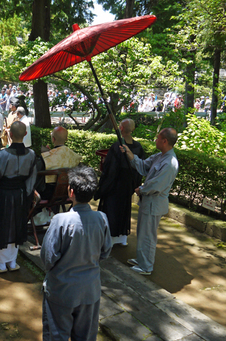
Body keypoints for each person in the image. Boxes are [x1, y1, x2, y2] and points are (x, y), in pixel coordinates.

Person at [41, 166, 112, 341]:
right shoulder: (101, 218)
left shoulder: (60, 221)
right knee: (86, 336)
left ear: (70, 192)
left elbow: (48, 258)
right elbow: (106, 251)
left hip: (62, 290)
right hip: (90, 289)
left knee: (57, 334)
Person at [120, 128, 179, 275]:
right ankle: (142, 259)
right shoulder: (160, 156)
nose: (156, 140)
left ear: (165, 141)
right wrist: (129, 153)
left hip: (154, 203)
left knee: (148, 235)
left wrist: (142, 189)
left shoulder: (170, 163)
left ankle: (146, 266)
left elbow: (157, 184)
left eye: (158, 138)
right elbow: (143, 166)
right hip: (148, 202)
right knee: (143, 232)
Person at [0, 121, 37, 273]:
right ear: (25, 134)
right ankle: (12, 262)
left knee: (1, 227)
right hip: (19, 195)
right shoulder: (31, 156)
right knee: (16, 226)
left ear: (9, 134)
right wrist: (26, 198)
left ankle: (0, 264)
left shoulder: (1, 156)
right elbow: (31, 182)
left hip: (2, 196)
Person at [94, 119, 145, 246]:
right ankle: (122, 238)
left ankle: (109, 239)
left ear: (121, 128)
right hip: (128, 186)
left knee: (111, 209)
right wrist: (135, 184)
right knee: (124, 210)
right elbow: (141, 168)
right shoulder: (138, 147)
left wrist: (103, 187)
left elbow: (110, 169)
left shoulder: (118, 146)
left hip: (115, 185)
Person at [36, 126, 82, 201]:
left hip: (47, 194)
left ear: (53, 139)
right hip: (68, 192)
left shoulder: (46, 157)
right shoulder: (75, 157)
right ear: (66, 139)